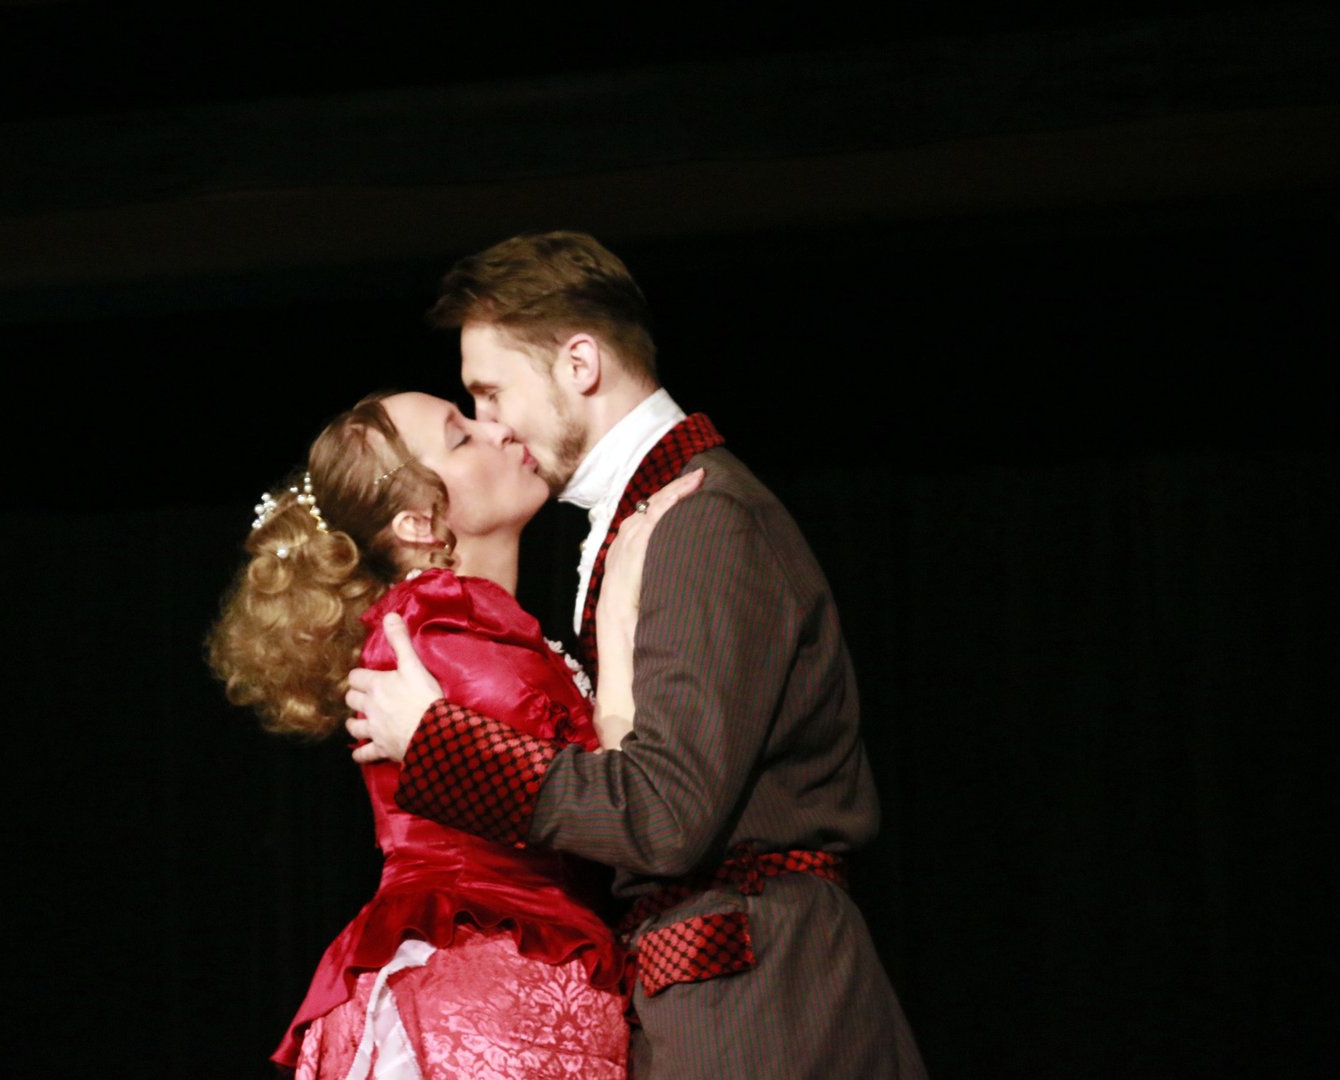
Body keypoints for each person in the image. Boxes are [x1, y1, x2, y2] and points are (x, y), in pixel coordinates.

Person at [345, 232, 927, 1079]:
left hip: (758, 1003)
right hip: (704, 992)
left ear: (579, 364)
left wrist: (440, 742)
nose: (492, 424)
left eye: (491, 393)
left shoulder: (701, 517)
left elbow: (664, 814)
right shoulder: (642, 521)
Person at [206, 389, 700, 1079]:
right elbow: (612, 804)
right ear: (418, 522)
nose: (497, 427)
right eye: (461, 435)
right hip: (473, 996)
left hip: (528, 985)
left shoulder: (481, 627)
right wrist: (619, 617)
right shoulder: (433, 630)